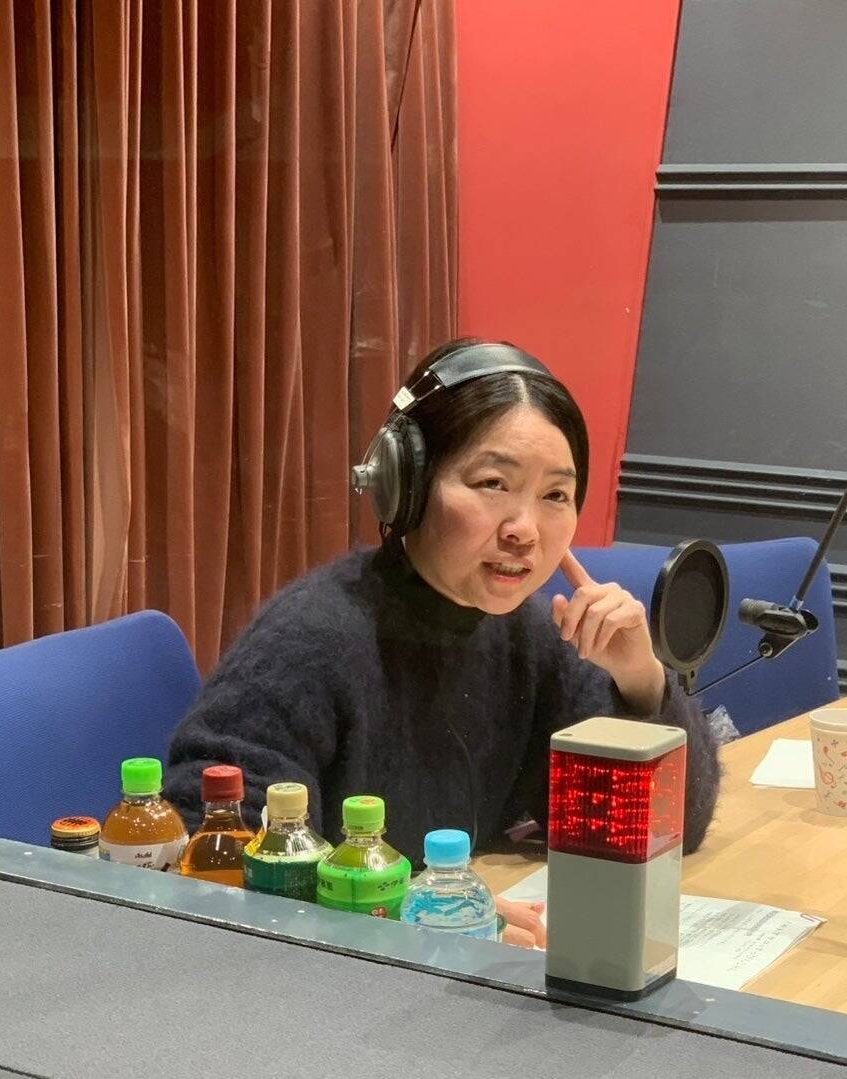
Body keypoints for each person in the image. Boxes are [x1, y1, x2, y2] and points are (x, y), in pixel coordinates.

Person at [164, 338, 720, 947]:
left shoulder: (536, 637)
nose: (525, 531)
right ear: (405, 485)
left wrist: (643, 680)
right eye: (492, 483)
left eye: (555, 496)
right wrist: (414, 907)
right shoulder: (309, 641)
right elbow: (214, 857)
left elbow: (664, 831)